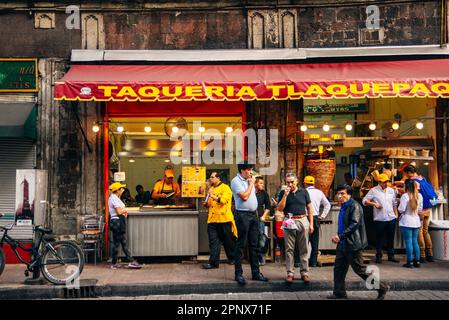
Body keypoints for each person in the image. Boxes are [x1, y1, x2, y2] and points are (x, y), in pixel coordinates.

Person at [328, 184, 389, 300]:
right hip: (342, 244)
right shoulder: (344, 206)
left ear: (349, 195)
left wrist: (340, 236)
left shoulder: (354, 206)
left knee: (360, 270)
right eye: (338, 194)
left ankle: (382, 288)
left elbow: (354, 224)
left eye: (343, 194)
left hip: (352, 244)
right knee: (338, 269)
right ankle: (339, 293)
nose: (340, 196)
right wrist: (339, 237)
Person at [231, 161, 269, 285]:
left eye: (251, 169)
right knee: (241, 244)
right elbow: (245, 197)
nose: (250, 172)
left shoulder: (249, 181)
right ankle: (238, 274)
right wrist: (252, 183)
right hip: (242, 215)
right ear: (242, 170)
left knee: (255, 244)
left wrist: (252, 183)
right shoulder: (236, 181)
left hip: (253, 215)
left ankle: (256, 273)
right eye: (248, 170)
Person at [277, 173, 314, 283]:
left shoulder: (303, 192)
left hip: (302, 219)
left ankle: (304, 272)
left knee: (304, 248)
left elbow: (309, 207)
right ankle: (290, 272)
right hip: (289, 220)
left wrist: (311, 223)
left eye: (291, 182)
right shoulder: (283, 193)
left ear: (296, 181)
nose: (289, 184)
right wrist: (285, 195)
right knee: (289, 248)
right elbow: (280, 208)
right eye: (287, 182)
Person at [202, 172, 237, 269]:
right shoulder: (211, 189)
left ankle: (233, 258)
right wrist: (206, 204)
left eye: (212, 177)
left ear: (218, 178)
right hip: (212, 220)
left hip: (224, 219)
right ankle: (213, 263)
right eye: (210, 177)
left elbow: (223, 201)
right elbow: (209, 203)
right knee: (214, 242)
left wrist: (212, 196)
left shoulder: (226, 188)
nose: (211, 179)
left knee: (228, 241)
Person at [362, 173, 399, 264]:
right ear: (379, 182)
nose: (386, 184)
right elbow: (364, 201)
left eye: (387, 181)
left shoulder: (391, 190)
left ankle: (391, 255)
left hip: (391, 218)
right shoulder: (373, 191)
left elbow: (394, 203)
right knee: (379, 238)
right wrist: (374, 204)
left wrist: (396, 214)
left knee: (391, 238)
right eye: (384, 182)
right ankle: (379, 255)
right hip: (380, 219)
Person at [403, 165, 436, 263]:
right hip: (428, 209)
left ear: (409, 172)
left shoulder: (414, 181)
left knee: (420, 232)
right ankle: (430, 254)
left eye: (406, 174)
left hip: (421, 211)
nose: (406, 176)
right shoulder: (423, 179)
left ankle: (422, 255)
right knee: (426, 231)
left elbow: (412, 192)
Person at [108, 182, 141, 270]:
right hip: (117, 222)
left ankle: (115, 263)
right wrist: (125, 210)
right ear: (117, 190)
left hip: (117, 221)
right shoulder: (114, 198)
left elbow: (119, 211)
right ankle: (130, 261)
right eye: (121, 189)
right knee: (121, 242)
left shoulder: (115, 198)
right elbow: (118, 212)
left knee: (120, 242)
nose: (123, 190)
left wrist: (124, 211)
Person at [304, 175, 331, 267]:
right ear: (313, 183)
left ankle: (301, 262)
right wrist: (322, 216)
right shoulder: (319, 192)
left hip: (304, 218)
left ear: (305, 183)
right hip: (315, 218)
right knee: (314, 242)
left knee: (303, 242)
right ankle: (313, 263)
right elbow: (327, 204)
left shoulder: (303, 192)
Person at [398, 179, 423, 268]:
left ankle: (410, 262)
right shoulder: (419, 196)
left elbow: (401, 209)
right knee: (415, 241)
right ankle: (417, 261)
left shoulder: (405, 196)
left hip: (406, 221)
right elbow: (420, 209)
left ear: (406, 186)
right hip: (416, 221)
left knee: (408, 242)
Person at [255, 176, 272, 266]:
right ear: (255, 183)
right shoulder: (251, 192)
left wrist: (263, 216)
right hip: (251, 218)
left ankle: (261, 257)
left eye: (262, 183)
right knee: (252, 238)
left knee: (261, 237)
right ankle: (252, 258)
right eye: (260, 183)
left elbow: (268, 207)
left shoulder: (264, 193)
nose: (262, 185)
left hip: (260, 219)